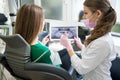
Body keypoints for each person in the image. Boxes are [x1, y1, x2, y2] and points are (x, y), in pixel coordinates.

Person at [60, 0, 117, 80]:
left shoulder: (103, 41)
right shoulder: (98, 33)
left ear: (98, 14)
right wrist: (81, 45)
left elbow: (81, 69)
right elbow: (92, 53)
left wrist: (68, 47)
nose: (83, 17)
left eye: (86, 13)